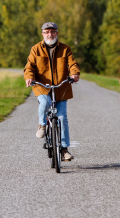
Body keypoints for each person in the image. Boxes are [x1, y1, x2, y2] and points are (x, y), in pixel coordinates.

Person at [24, 22, 80, 161]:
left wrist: (74, 74)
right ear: (43, 34)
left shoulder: (65, 49)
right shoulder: (36, 49)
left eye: (53, 31)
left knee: (62, 118)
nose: (50, 34)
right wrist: (29, 77)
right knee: (45, 103)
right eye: (47, 32)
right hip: (42, 86)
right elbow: (29, 66)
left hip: (61, 87)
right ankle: (42, 124)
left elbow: (72, 63)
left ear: (57, 33)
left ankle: (64, 150)